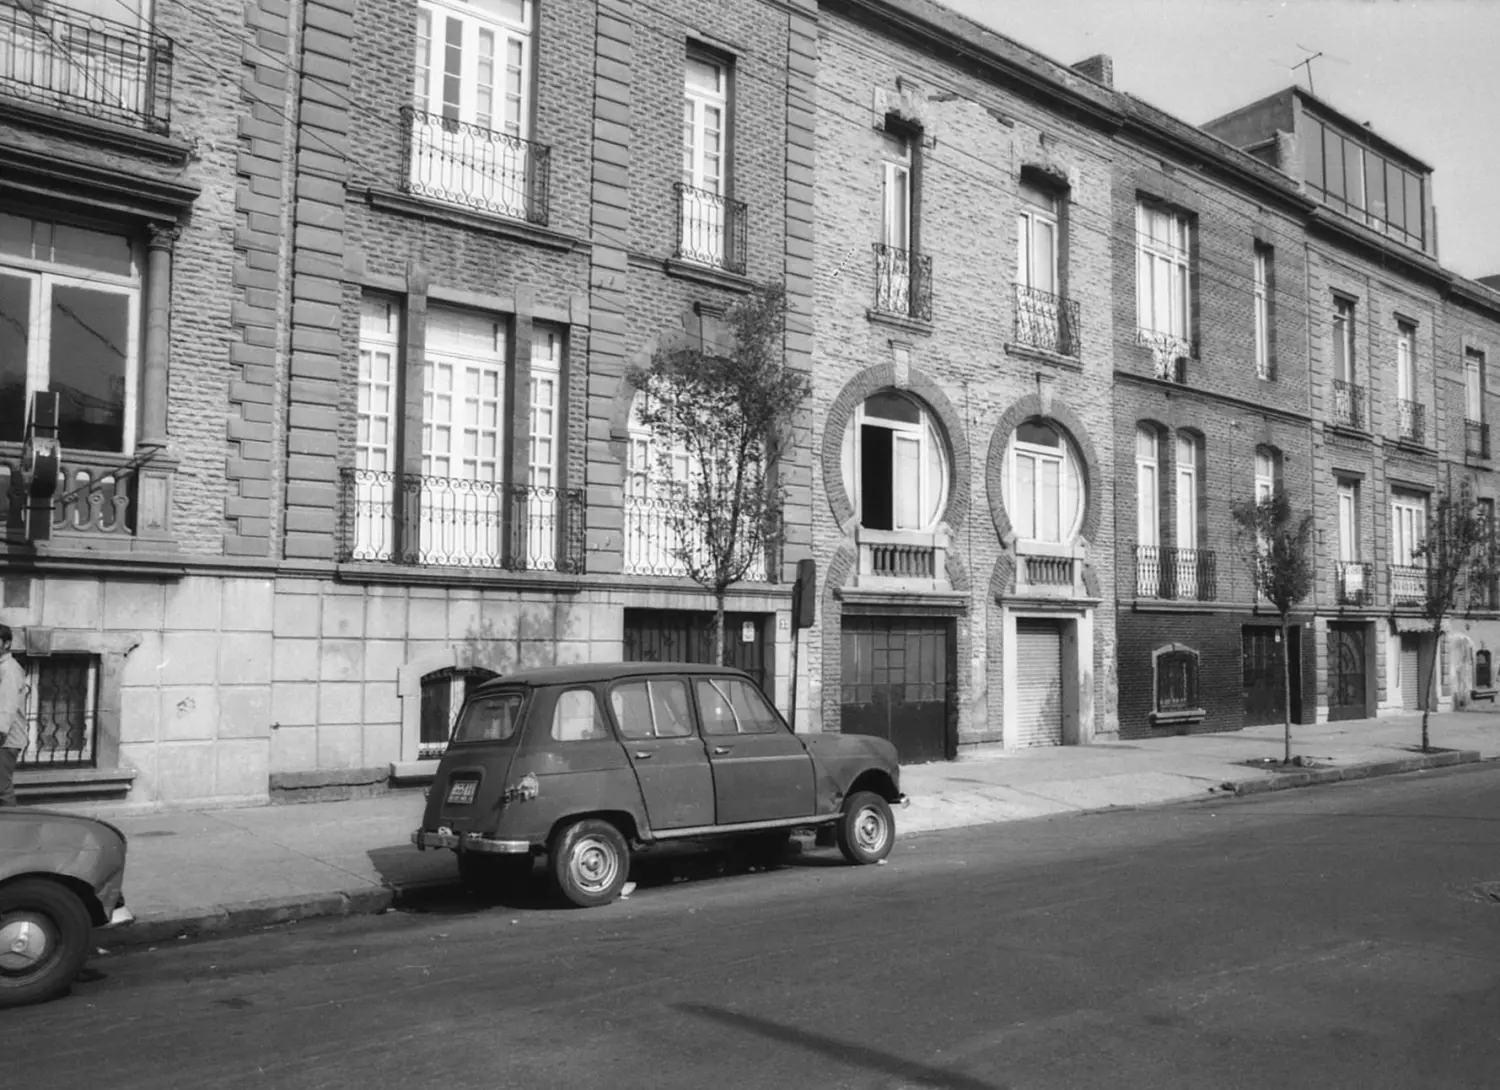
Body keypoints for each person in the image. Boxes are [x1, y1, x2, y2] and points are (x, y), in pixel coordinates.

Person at [0, 624, 29, 807]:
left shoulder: (9, 669)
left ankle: (10, 831)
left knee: (2, 789)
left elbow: (7, 705)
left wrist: (0, 731)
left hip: (5, 739)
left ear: (6, 644)